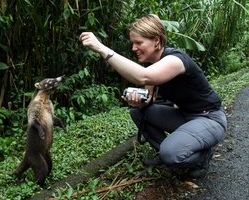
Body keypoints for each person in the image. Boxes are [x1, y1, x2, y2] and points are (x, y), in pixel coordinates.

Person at [79, 14, 227, 178]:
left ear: (157, 41)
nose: (133, 48)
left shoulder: (175, 60)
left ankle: (201, 157)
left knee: (171, 154)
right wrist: (138, 102)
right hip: (185, 115)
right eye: (133, 43)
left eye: (139, 43)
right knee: (138, 112)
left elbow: (144, 76)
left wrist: (101, 48)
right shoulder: (151, 64)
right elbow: (148, 99)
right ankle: (164, 152)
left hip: (209, 118)